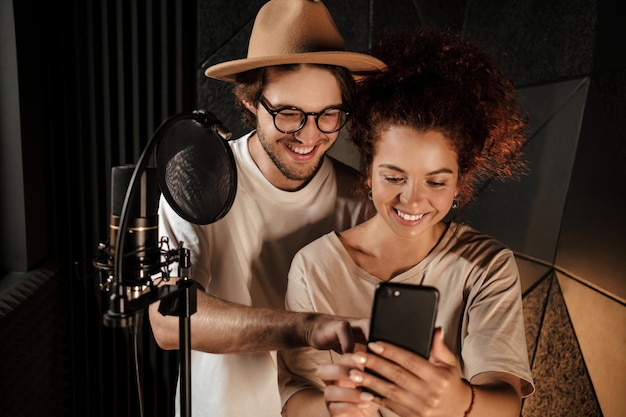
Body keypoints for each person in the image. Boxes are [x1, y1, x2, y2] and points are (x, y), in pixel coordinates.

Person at [278, 27, 535, 417]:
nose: (412, 200)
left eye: (436, 181)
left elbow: (505, 401)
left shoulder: (487, 265)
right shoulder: (314, 267)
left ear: (460, 180)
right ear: (367, 170)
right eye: (393, 177)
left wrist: (458, 400)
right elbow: (295, 398)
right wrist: (332, 408)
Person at [147, 1, 386, 416]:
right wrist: (307, 328)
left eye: (328, 115)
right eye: (288, 113)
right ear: (250, 103)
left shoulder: (362, 199)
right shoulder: (197, 179)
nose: (309, 135)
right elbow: (169, 322)